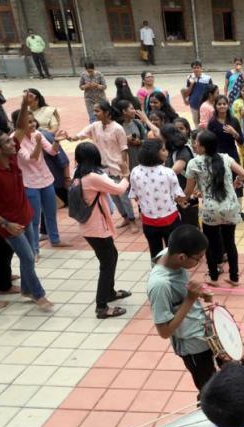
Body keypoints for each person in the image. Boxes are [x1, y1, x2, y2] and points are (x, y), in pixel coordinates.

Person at [148, 224, 223, 391]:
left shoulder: (168, 253)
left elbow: (182, 292)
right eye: (198, 258)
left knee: (234, 370)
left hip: (206, 331)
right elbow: (164, 332)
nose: (201, 262)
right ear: (182, 257)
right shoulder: (160, 285)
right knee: (210, 390)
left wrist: (200, 293)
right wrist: (190, 299)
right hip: (192, 346)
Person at [0, 128, 53, 311]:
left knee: (30, 256)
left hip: (25, 216)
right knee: (26, 258)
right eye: (7, 142)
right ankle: (37, 294)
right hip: (10, 225)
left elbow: (20, 127)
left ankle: (26, 289)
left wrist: (25, 103)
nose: (13, 143)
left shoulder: (11, 158)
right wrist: (5, 224)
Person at [70, 141, 132, 318]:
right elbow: (119, 189)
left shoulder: (79, 174)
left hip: (90, 227)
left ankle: (109, 292)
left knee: (111, 256)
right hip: (97, 228)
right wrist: (126, 174)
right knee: (107, 263)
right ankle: (102, 306)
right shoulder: (92, 177)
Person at [185, 131, 244, 286]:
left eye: (197, 143)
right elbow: (243, 173)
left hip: (210, 210)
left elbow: (188, 191)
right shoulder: (225, 158)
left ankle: (213, 277)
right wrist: (236, 182)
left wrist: (185, 197)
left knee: (210, 244)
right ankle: (234, 277)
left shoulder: (194, 163)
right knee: (230, 243)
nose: (194, 145)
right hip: (230, 207)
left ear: (204, 147)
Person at [67, 99, 138, 233]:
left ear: (107, 113)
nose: (95, 114)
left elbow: (124, 150)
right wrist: (70, 138)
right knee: (113, 195)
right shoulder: (95, 126)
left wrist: (125, 169)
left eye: (97, 111)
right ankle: (125, 217)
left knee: (123, 195)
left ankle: (132, 219)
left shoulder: (118, 128)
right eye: (94, 111)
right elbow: (80, 135)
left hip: (117, 167)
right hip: (103, 169)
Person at [11, 106, 69, 259]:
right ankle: (35, 249)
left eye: (33, 121)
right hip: (29, 182)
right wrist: (37, 144)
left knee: (51, 211)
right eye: (28, 122)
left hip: (45, 178)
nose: (33, 125)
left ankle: (55, 240)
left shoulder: (37, 134)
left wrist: (56, 141)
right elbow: (31, 158)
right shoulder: (14, 140)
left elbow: (52, 151)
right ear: (19, 125)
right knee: (34, 217)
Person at [129, 139, 184, 259]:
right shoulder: (168, 172)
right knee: (174, 253)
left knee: (155, 254)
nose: (166, 152)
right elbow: (178, 196)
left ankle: (158, 276)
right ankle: (174, 276)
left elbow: (135, 195)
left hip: (148, 222)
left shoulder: (135, 171)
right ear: (155, 153)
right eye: (163, 150)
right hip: (170, 221)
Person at [162, 121, 198, 227]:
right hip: (180, 196)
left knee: (191, 226)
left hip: (187, 196)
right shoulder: (175, 150)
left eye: (162, 139)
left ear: (167, 138)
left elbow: (175, 170)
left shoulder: (183, 152)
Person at [183, 61, 214, 127]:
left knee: (206, 121)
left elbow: (211, 91)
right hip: (194, 103)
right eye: (194, 68)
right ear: (192, 69)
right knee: (196, 122)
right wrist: (191, 84)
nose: (196, 69)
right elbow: (187, 92)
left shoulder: (208, 78)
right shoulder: (189, 78)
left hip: (205, 104)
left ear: (201, 68)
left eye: (198, 67)